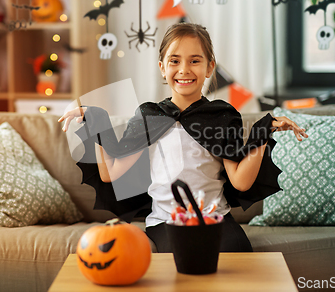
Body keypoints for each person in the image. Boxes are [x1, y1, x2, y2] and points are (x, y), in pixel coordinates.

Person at [59, 23, 308, 252]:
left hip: (217, 219)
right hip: (167, 222)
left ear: (210, 67)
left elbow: (241, 182)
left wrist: (261, 133)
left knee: (239, 261)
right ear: (162, 68)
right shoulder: (149, 115)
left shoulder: (222, 115)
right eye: (175, 61)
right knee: (186, 263)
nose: (184, 70)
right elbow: (110, 173)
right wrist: (99, 122)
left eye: (195, 61)